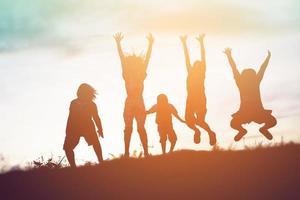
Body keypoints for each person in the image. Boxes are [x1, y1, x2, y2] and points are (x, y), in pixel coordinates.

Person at [114, 32, 154, 157]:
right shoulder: (127, 73)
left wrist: (151, 44)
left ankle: (146, 152)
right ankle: (126, 152)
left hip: (138, 103)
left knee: (140, 128)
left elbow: (147, 60)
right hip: (131, 103)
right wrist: (118, 44)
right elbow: (122, 59)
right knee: (129, 128)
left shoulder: (141, 73)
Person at [224, 48, 277, 141]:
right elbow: (234, 69)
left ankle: (261, 129)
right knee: (233, 123)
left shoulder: (248, 82)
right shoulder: (250, 82)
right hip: (248, 113)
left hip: (256, 112)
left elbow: (261, 69)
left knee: (273, 121)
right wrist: (229, 56)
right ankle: (243, 131)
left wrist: (229, 55)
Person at [180, 34, 216, 145]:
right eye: (196, 65)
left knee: (200, 121)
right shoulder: (191, 72)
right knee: (189, 120)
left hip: (199, 99)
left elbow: (203, 57)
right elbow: (187, 58)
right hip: (191, 99)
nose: (197, 66)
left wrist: (201, 43)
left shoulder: (201, 72)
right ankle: (197, 131)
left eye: (199, 65)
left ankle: (210, 133)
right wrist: (184, 43)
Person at [63, 83, 104, 167]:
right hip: (74, 128)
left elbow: (96, 117)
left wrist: (100, 129)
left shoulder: (92, 105)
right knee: (67, 148)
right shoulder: (73, 103)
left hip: (88, 127)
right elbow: (71, 117)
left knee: (96, 143)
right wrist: (68, 131)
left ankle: (101, 162)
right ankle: (73, 167)